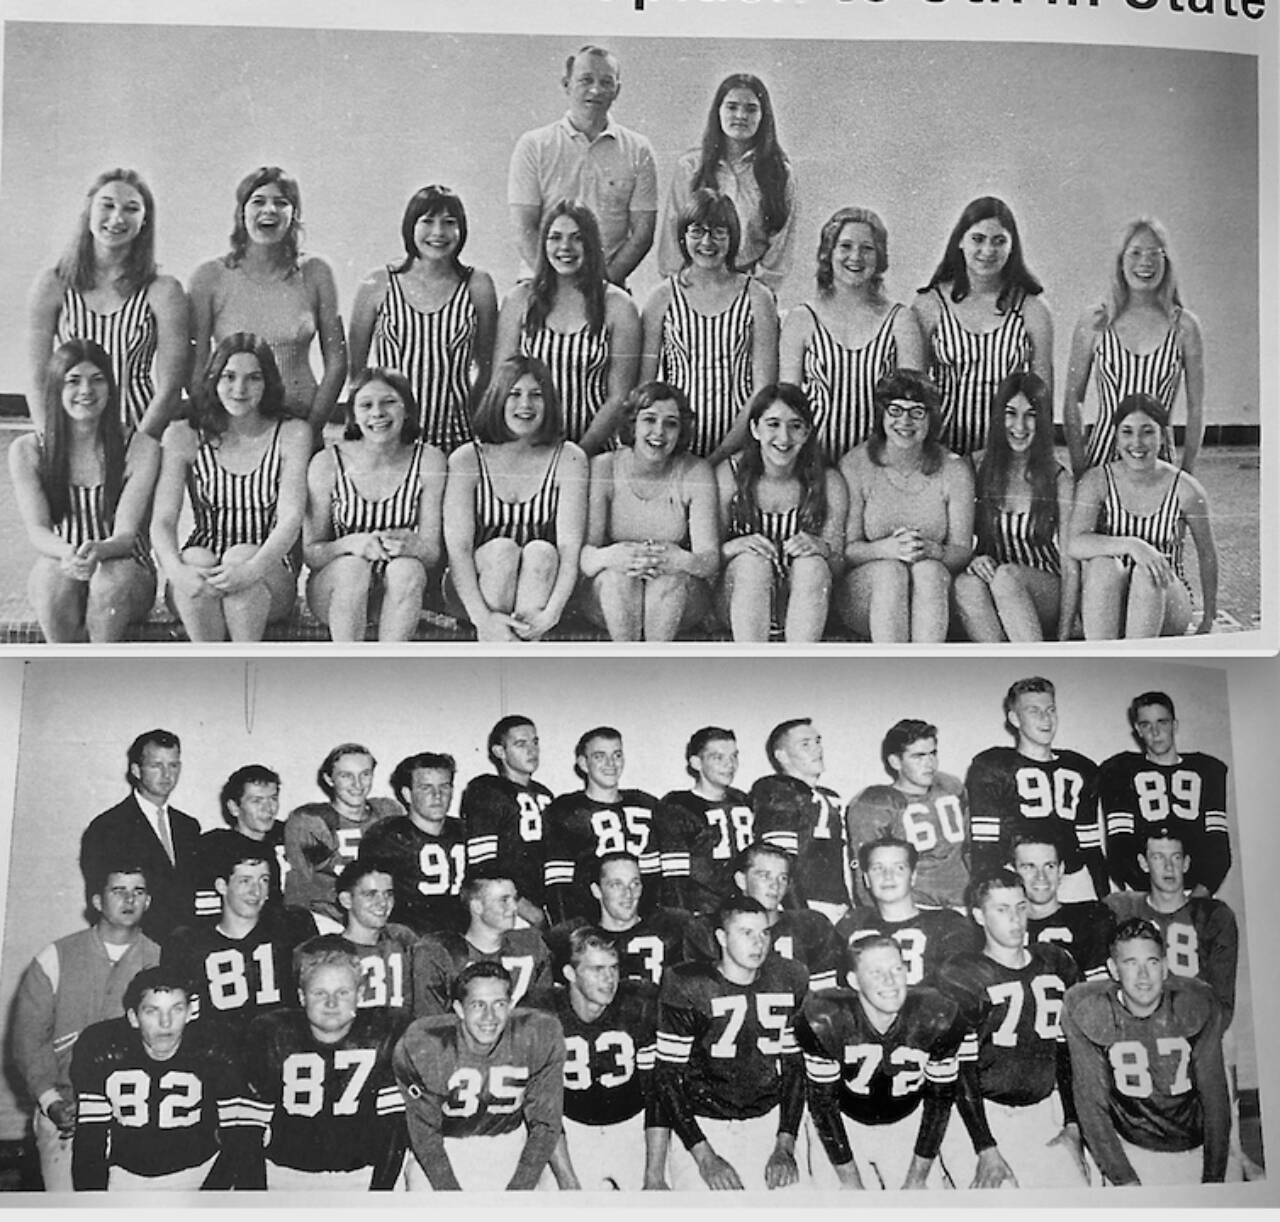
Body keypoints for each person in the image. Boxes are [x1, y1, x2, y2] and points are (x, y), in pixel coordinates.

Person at [151, 332, 310, 642]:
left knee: (240, 557)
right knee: (196, 560)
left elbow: (291, 518)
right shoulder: (183, 435)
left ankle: (244, 664)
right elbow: (163, 520)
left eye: (253, 378)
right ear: (213, 379)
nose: (240, 389)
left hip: (267, 566)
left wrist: (251, 570)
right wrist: (176, 570)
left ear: (268, 383)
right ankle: (211, 667)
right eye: (229, 376)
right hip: (203, 566)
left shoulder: (292, 433)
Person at [12, 865, 159, 1192]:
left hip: (136, 1116)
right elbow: (28, 1041)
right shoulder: (55, 958)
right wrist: (51, 1101)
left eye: (138, 891)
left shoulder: (161, 960)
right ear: (97, 900)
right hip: (66, 1113)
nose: (129, 899)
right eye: (118, 890)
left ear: (148, 901)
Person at [937, 871, 1086, 1189]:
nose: (1016, 919)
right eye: (1002, 909)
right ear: (979, 916)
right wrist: (985, 1147)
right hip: (980, 1115)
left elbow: (1067, 1051)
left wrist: (1073, 1123)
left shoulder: (1055, 961)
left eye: (1020, 907)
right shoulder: (962, 973)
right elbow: (961, 1068)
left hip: (1045, 1110)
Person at [654, 896, 807, 1191]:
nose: (758, 943)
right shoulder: (688, 983)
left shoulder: (789, 977)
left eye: (764, 933)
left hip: (768, 1121)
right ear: (722, 938)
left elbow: (794, 1068)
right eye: (746, 933)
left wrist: (785, 1146)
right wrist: (705, 1158)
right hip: (705, 1126)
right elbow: (667, 1079)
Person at [1062, 918, 1230, 1185]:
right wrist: (1124, 1178)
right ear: (1113, 969)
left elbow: (1215, 1098)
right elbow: (1091, 1105)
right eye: (1131, 963)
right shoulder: (1088, 1007)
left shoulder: (1195, 1001)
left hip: (1196, 1144)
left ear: (1164, 967)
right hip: (1133, 1146)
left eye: (1151, 962)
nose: (1143, 976)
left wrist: (1214, 1177)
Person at [11, 340, 159, 642]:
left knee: (108, 582)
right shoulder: (28, 450)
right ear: (56, 388)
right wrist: (69, 554)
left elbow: (125, 536)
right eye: (73, 381)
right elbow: (38, 530)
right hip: (62, 561)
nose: (86, 391)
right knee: (50, 579)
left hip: (126, 568)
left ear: (111, 388)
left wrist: (98, 551)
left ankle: (101, 667)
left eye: (97, 380)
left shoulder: (141, 447)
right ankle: (63, 666)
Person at [26, 167, 187, 438]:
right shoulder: (53, 284)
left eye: (131, 209)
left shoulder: (164, 291)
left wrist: (139, 447)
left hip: (140, 431)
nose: (117, 218)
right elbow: (37, 379)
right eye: (107, 205)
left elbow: (170, 388)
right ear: (88, 211)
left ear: (144, 220)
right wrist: (52, 442)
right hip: (72, 435)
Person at [188, 165, 346, 439]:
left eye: (281, 203)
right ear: (241, 212)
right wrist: (218, 428)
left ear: (294, 215)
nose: (270, 210)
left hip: (301, 423)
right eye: (258, 201)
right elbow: (195, 366)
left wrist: (309, 431)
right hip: (233, 430)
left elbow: (337, 364)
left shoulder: (316, 273)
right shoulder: (210, 277)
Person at [796, 935, 964, 1190]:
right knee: (842, 1203)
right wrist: (850, 1181)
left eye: (896, 969)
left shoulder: (937, 1015)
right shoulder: (825, 1018)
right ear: (854, 981)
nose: (890, 981)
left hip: (907, 1121)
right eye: (876, 973)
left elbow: (939, 1103)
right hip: (844, 1121)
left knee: (920, 1203)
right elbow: (823, 1107)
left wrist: (917, 1178)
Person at [69, 967, 256, 1189]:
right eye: (152, 1011)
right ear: (133, 1017)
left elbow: (239, 1139)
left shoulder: (214, 1049)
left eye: (176, 1009)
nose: (165, 1022)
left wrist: (209, 1198)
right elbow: (90, 1141)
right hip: (126, 1176)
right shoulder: (100, 1048)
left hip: (199, 1173)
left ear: (190, 1012)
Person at [443, 355, 588, 642]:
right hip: (472, 593)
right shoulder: (467, 458)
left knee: (541, 552)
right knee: (503, 551)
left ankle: (520, 652)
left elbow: (569, 550)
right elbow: (459, 550)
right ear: (498, 398)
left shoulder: (569, 458)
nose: (525, 404)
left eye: (536, 395)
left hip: (543, 586)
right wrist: (483, 618)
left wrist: (551, 614)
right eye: (514, 394)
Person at [243, 941, 408, 1189]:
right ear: (302, 996)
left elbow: (395, 1130)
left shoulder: (385, 1033)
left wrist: (378, 1197)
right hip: (285, 1175)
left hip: (361, 1176)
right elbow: (248, 1130)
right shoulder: (272, 1033)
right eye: (319, 993)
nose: (331, 1003)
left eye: (343, 993)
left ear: (360, 995)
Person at [348, 184, 497, 452]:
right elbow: (357, 369)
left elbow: (487, 367)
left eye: (449, 222)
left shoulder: (478, 284)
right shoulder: (378, 283)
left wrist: (474, 422)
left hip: (456, 436)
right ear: (410, 227)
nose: (438, 232)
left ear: (461, 229)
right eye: (427, 221)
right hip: (392, 439)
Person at [394, 961, 566, 1190]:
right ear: (459, 1009)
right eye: (478, 1005)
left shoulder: (538, 1034)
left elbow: (545, 1125)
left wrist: (519, 1190)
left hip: (511, 1145)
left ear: (511, 1005)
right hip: (446, 1147)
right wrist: (451, 1194)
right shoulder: (425, 1042)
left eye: (499, 1004)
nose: (489, 1016)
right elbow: (425, 1137)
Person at [303, 367, 445, 642]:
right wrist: (351, 544)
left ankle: (389, 664)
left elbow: (432, 554)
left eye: (389, 402)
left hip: (394, 592)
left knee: (409, 569)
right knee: (353, 569)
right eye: (366, 405)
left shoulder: (428, 460)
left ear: (407, 409)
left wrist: (412, 546)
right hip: (335, 590)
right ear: (354, 415)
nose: (378, 413)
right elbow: (311, 553)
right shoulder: (327, 462)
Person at [640, 189, 779, 461]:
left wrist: (723, 454)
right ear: (683, 236)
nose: (707, 242)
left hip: (740, 447)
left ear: (732, 237)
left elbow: (763, 390)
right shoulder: (662, 297)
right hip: (675, 446)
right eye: (697, 231)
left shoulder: (757, 297)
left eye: (718, 232)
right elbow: (645, 388)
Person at [837, 369, 974, 642]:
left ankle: (925, 664)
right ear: (882, 414)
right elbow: (848, 550)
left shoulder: (955, 468)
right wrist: (885, 549)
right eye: (895, 410)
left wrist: (935, 551)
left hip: (930, 590)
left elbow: (962, 550)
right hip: (868, 591)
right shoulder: (855, 464)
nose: (905, 421)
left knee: (930, 570)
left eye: (917, 412)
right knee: (892, 571)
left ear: (931, 418)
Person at [779, 206, 925, 461]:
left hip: (879, 463)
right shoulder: (801, 319)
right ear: (829, 253)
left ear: (879, 257)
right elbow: (787, 406)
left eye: (867, 248)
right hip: (814, 462)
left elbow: (911, 406)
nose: (856, 257)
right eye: (845, 246)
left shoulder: (901, 320)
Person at [1066, 393, 1217, 638]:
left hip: (1166, 599)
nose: (1137, 442)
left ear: (1163, 436)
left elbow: (1207, 553)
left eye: (1147, 432)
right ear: (1116, 437)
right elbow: (1075, 543)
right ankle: (1102, 655)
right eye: (1127, 432)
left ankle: (1136, 656)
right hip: (1111, 602)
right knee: (1102, 565)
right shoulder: (1097, 480)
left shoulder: (1185, 488)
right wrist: (1132, 545)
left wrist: (1209, 616)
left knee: (1147, 574)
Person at [1062, 217, 1205, 476]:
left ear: (1166, 261)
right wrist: (1080, 470)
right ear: (1120, 260)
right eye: (1136, 253)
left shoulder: (1184, 326)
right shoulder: (1095, 321)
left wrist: (1186, 474)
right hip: (1101, 464)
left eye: (1154, 254)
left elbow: (1196, 409)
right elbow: (1073, 400)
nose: (1145, 262)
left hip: (1159, 466)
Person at [912, 196, 1053, 456]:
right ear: (960, 242)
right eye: (978, 239)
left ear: (1012, 247)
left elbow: (1042, 395)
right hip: (943, 449)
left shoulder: (1032, 308)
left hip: (1008, 450)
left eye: (999, 241)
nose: (988, 251)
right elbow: (914, 390)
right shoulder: (929, 304)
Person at [496, 199, 640, 453]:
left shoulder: (618, 305)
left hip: (594, 450)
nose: (565, 247)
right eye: (555, 237)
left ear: (592, 245)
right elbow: (502, 382)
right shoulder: (519, 300)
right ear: (543, 244)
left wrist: (579, 454)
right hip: (529, 450)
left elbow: (619, 397)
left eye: (577, 238)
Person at [579, 381, 719, 640]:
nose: (659, 432)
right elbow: (585, 557)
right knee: (618, 579)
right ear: (632, 424)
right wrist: (612, 556)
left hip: (676, 594)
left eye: (671, 424)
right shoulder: (603, 468)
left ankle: (657, 661)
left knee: (668, 579)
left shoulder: (695, 471)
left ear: (681, 431)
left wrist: (679, 559)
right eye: (649, 420)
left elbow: (709, 559)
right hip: (612, 593)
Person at [509, 45, 656, 286]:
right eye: (586, 80)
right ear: (566, 84)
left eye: (606, 82)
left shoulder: (638, 149)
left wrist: (601, 288)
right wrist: (555, 287)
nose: (596, 90)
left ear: (617, 91)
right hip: (540, 285)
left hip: (607, 287)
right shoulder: (534, 145)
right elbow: (524, 228)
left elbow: (642, 234)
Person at [534, 928, 664, 1190]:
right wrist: (567, 1179)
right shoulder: (542, 1012)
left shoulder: (639, 1003)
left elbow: (657, 1094)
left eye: (614, 968)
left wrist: (655, 1174)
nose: (609, 978)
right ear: (570, 973)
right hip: (570, 1131)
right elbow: (542, 1106)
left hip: (632, 1129)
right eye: (597, 969)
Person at [715, 383, 846, 642]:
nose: (784, 438)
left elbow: (839, 565)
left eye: (795, 426)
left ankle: (798, 662)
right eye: (773, 424)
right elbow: (706, 557)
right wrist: (735, 546)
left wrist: (821, 547)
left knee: (812, 565)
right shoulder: (730, 474)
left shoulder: (828, 481)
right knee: (753, 564)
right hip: (740, 600)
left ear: (807, 432)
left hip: (803, 601)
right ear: (755, 429)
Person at [954, 370, 1078, 642]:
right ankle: (1002, 661)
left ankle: (1037, 656)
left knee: (1007, 577)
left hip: (1043, 587)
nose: (1020, 426)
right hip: (991, 582)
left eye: (1031, 415)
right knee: (965, 585)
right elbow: (955, 541)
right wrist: (972, 559)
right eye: (1011, 413)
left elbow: (1070, 562)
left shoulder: (1059, 478)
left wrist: (1065, 633)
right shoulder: (973, 467)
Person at [966, 676, 1105, 902]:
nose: (1045, 718)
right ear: (1014, 718)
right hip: (1017, 877)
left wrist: (1103, 895)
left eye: (1051, 710)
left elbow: (1090, 843)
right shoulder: (993, 766)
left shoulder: (1081, 768)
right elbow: (985, 845)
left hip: (1070, 877)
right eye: (1033, 711)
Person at [657, 73, 798, 293]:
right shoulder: (690, 167)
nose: (741, 115)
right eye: (732, 107)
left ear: (764, 116)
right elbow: (673, 237)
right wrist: (682, 289)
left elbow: (781, 245)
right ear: (718, 111)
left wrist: (754, 291)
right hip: (695, 288)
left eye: (751, 109)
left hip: (752, 289)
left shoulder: (780, 174)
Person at [163, 848, 314, 1042]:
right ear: (222, 886)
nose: (256, 891)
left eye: (263, 880)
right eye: (245, 881)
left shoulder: (289, 934)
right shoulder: (190, 944)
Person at [1099, 690, 1231, 895]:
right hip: (1146, 895)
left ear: (1174, 725)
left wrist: (1198, 898)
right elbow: (1119, 849)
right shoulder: (1120, 772)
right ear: (1138, 730)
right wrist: (1152, 900)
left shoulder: (1207, 770)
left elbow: (1218, 848)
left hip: (1196, 893)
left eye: (1162, 722)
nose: (1155, 732)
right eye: (1146, 725)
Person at [1103, 826, 1238, 1026]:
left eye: (1175, 858)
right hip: (1139, 1028)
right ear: (1144, 863)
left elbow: (1222, 1000)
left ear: (1186, 863)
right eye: (1158, 857)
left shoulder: (1212, 917)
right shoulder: (1124, 909)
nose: (1168, 867)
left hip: (1193, 1024)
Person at [79, 728, 199, 945]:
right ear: (136, 770)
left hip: (185, 948)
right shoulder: (108, 827)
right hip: (134, 947)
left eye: (173, 765)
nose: (167, 774)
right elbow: (105, 902)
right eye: (156, 765)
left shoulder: (188, 826)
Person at [845, 719, 970, 911]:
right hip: (916, 907)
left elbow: (970, 848)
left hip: (963, 902)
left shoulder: (950, 787)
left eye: (933, 753)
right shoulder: (877, 804)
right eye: (918, 756)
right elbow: (867, 873)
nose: (929, 763)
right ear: (895, 762)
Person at [683, 841, 842, 992]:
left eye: (782, 878)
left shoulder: (811, 926)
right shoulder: (706, 929)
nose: (775, 885)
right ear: (741, 880)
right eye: (764, 876)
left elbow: (823, 999)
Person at [542, 727, 660, 926]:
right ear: (583, 763)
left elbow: (656, 877)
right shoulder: (565, 810)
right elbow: (558, 883)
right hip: (590, 922)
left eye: (617, 755)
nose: (610, 763)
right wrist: (570, 931)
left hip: (641, 921)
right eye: (599, 756)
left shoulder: (646, 805)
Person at [838, 837, 981, 988]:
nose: (888, 876)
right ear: (866, 879)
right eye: (878, 868)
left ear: (913, 877)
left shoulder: (948, 924)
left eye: (899, 868)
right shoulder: (853, 924)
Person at [282, 742, 401, 923]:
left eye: (365, 774)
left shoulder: (387, 812)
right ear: (329, 779)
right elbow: (298, 885)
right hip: (329, 919)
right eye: (346, 776)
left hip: (380, 915)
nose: (357, 784)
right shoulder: (310, 821)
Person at [411, 864, 552, 1016]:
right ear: (477, 906)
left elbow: (543, 1018)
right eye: (504, 900)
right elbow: (431, 1024)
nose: (514, 908)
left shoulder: (531, 946)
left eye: (514, 899)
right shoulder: (439, 955)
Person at [751, 718, 851, 921]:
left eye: (817, 741)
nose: (817, 749)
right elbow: (781, 863)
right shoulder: (779, 791)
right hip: (803, 903)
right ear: (782, 756)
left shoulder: (829, 797)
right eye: (805, 744)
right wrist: (801, 916)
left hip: (837, 905)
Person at [461, 715, 554, 929]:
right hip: (508, 907)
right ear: (499, 751)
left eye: (535, 742)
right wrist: (522, 907)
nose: (532, 750)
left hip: (541, 905)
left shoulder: (544, 794)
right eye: (521, 744)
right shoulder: (487, 790)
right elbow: (483, 865)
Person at [362, 752, 469, 936]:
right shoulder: (387, 837)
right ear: (407, 794)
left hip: (464, 937)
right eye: (426, 788)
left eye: (444, 786)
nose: (437, 795)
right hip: (408, 939)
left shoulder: (467, 831)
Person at [548, 852, 688, 988]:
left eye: (635, 884)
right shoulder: (571, 939)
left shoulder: (672, 930)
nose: (628, 893)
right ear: (597, 891)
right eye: (616, 885)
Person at [655, 726, 755, 915]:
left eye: (734, 756)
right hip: (703, 912)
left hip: (744, 909)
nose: (730, 764)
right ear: (696, 763)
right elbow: (675, 878)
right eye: (718, 757)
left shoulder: (743, 801)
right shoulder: (678, 806)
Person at [1009, 826, 1115, 982]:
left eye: (1049, 866)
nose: (1041, 877)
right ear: (1013, 872)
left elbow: (1097, 989)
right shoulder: (1003, 925)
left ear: (1061, 870)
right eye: (1029, 867)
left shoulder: (1090, 919)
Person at [193, 764, 285, 920]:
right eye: (257, 801)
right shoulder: (214, 848)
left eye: (273, 799)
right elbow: (206, 913)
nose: (268, 808)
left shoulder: (286, 835)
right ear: (234, 808)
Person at [331, 860, 419, 1019]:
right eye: (371, 895)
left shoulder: (403, 939)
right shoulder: (328, 953)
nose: (383, 903)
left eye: (388, 894)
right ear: (346, 900)